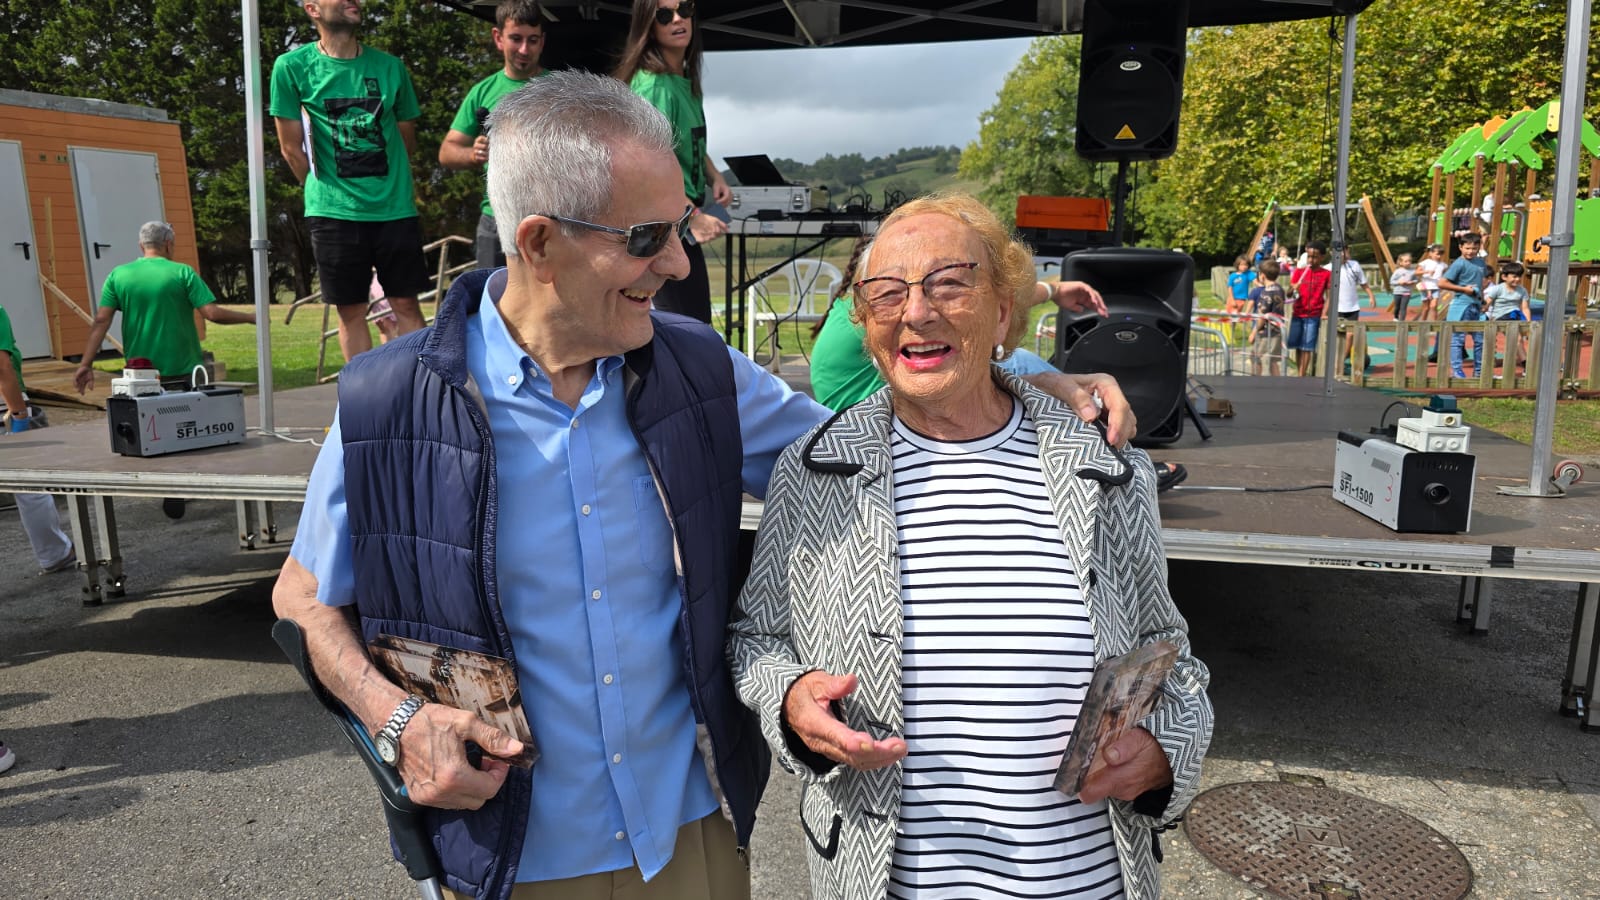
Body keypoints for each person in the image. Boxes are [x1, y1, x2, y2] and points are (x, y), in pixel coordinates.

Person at [270, 73, 1136, 900]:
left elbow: (877, 444)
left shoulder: (700, 373)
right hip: (507, 854)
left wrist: (1026, 379)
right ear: (538, 243)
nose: (681, 264)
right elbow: (303, 600)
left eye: (681, 227)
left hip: (690, 838)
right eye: (647, 237)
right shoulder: (391, 402)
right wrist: (395, 721)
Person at [728, 193, 1213, 900]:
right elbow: (757, 639)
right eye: (885, 293)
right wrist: (791, 699)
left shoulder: (1103, 468)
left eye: (949, 284)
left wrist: (1166, 750)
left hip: (1081, 881)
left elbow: (1169, 653)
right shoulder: (815, 472)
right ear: (865, 323)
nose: (916, 313)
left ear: (1004, 314)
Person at [271, 0, 428, 362]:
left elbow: (406, 139)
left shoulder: (390, 67)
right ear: (312, 9)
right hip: (333, 213)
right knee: (351, 310)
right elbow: (290, 148)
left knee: (406, 304)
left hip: (394, 208)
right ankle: (362, 392)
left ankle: (419, 387)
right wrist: (326, 191)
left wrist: (383, 182)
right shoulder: (291, 67)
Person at [615, 0, 730, 323]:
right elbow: (644, 165)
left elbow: (682, 140)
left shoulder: (683, 80)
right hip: (662, 227)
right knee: (686, 331)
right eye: (664, 15)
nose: (678, 19)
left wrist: (714, 175)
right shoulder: (656, 87)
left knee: (692, 327)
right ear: (649, 27)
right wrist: (694, 216)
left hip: (676, 223)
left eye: (685, 9)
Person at [72, 222, 256, 395]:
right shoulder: (183, 272)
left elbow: (101, 320)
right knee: (187, 416)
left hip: (139, 371)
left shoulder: (117, 275)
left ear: (142, 246)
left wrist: (86, 365)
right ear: (168, 244)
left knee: (148, 418)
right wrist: (251, 317)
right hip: (183, 370)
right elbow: (212, 313)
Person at [439, 0, 548, 271]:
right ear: (498, 38)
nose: (524, 49)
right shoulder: (482, 92)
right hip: (495, 219)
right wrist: (472, 153)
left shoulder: (560, 89)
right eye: (516, 39)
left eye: (533, 40)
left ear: (542, 41)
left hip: (550, 218)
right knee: (494, 294)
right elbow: (447, 151)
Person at [1, 304, 75, 575]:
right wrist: (20, 413)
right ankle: (54, 553)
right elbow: (2, 366)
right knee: (29, 486)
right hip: (5, 410)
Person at [1438, 233, 1488, 379]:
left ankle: (1479, 371)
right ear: (1461, 247)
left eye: (1474, 248)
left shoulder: (1480, 263)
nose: (1470, 251)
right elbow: (1442, 283)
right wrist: (1463, 289)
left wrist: (1482, 301)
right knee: (1458, 339)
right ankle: (1457, 370)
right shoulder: (1459, 263)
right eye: (1467, 248)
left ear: (1478, 248)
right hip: (1462, 305)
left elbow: (1481, 283)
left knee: (1480, 340)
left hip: (1476, 305)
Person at [1287, 240, 1331, 377]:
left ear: (1322, 257)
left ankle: (1301, 375)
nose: (1311, 260)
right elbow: (1289, 294)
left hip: (1314, 314)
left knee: (1307, 346)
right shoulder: (1299, 272)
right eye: (1309, 256)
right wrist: (1293, 288)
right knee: (1297, 345)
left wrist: (1324, 313)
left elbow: (1330, 297)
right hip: (1298, 313)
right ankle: (1300, 371)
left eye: (1315, 257)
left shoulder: (1326, 274)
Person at [1484, 260, 1533, 377]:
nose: (1517, 279)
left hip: (1514, 316)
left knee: (1519, 340)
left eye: (1519, 276)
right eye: (1514, 276)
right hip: (1500, 316)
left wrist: (1528, 323)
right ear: (1504, 277)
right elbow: (1487, 303)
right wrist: (1484, 309)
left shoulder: (1522, 290)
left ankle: (1525, 364)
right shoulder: (1498, 289)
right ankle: (1525, 365)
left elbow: (1525, 308)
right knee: (1516, 338)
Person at [1335, 248, 1376, 373]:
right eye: (1339, 252)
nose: (1342, 254)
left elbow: (1363, 283)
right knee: (1337, 335)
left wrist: (1371, 296)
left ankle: (1341, 361)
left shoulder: (1354, 265)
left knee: (1350, 335)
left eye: (1344, 251)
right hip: (1337, 307)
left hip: (1352, 307)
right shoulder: (1329, 268)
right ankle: (1335, 360)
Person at [1247, 259, 1286, 376]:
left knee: (1255, 356)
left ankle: (1256, 381)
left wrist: (1254, 332)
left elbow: (1262, 316)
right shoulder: (1279, 289)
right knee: (1273, 360)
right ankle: (1277, 383)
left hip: (1266, 332)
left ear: (1262, 275)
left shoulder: (1266, 293)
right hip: (1278, 330)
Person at [1225, 255, 1255, 343]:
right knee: (1231, 318)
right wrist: (1232, 300)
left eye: (1246, 265)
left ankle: (1231, 335)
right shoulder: (1232, 276)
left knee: (1234, 318)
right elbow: (1230, 288)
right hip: (1232, 299)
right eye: (1242, 264)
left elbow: (1255, 280)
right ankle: (1229, 336)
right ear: (1237, 265)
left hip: (1242, 299)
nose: (1244, 267)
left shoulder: (1248, 274)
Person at [1416, 242, 1446, 321]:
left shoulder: (1443, 265)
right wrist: (1426, 272)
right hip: (1426, 287)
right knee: (1426, 307)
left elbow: (1444, 274)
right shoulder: (1425, 263)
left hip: (1436, 287)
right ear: (1430, 253)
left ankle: (1434, 324)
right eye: (1437, 254)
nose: (1439, 256)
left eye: (1441, 254)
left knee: (1434, 306)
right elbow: (1417, 272)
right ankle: (1422, 322)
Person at [1388, 252, 1417, 322]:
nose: (1408, 263)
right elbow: (1391, 281)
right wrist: (1399, 282)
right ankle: (1396, 317)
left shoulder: (1413, 271)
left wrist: (1412, 282)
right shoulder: (1397, 271)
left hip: (1407, 292)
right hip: (1397, 292)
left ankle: (1402, 321)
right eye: (1406, 261)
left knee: (1403, 307)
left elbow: (1416, 279)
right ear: (1401, 263)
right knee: (1397, 306)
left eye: (1409, 261)